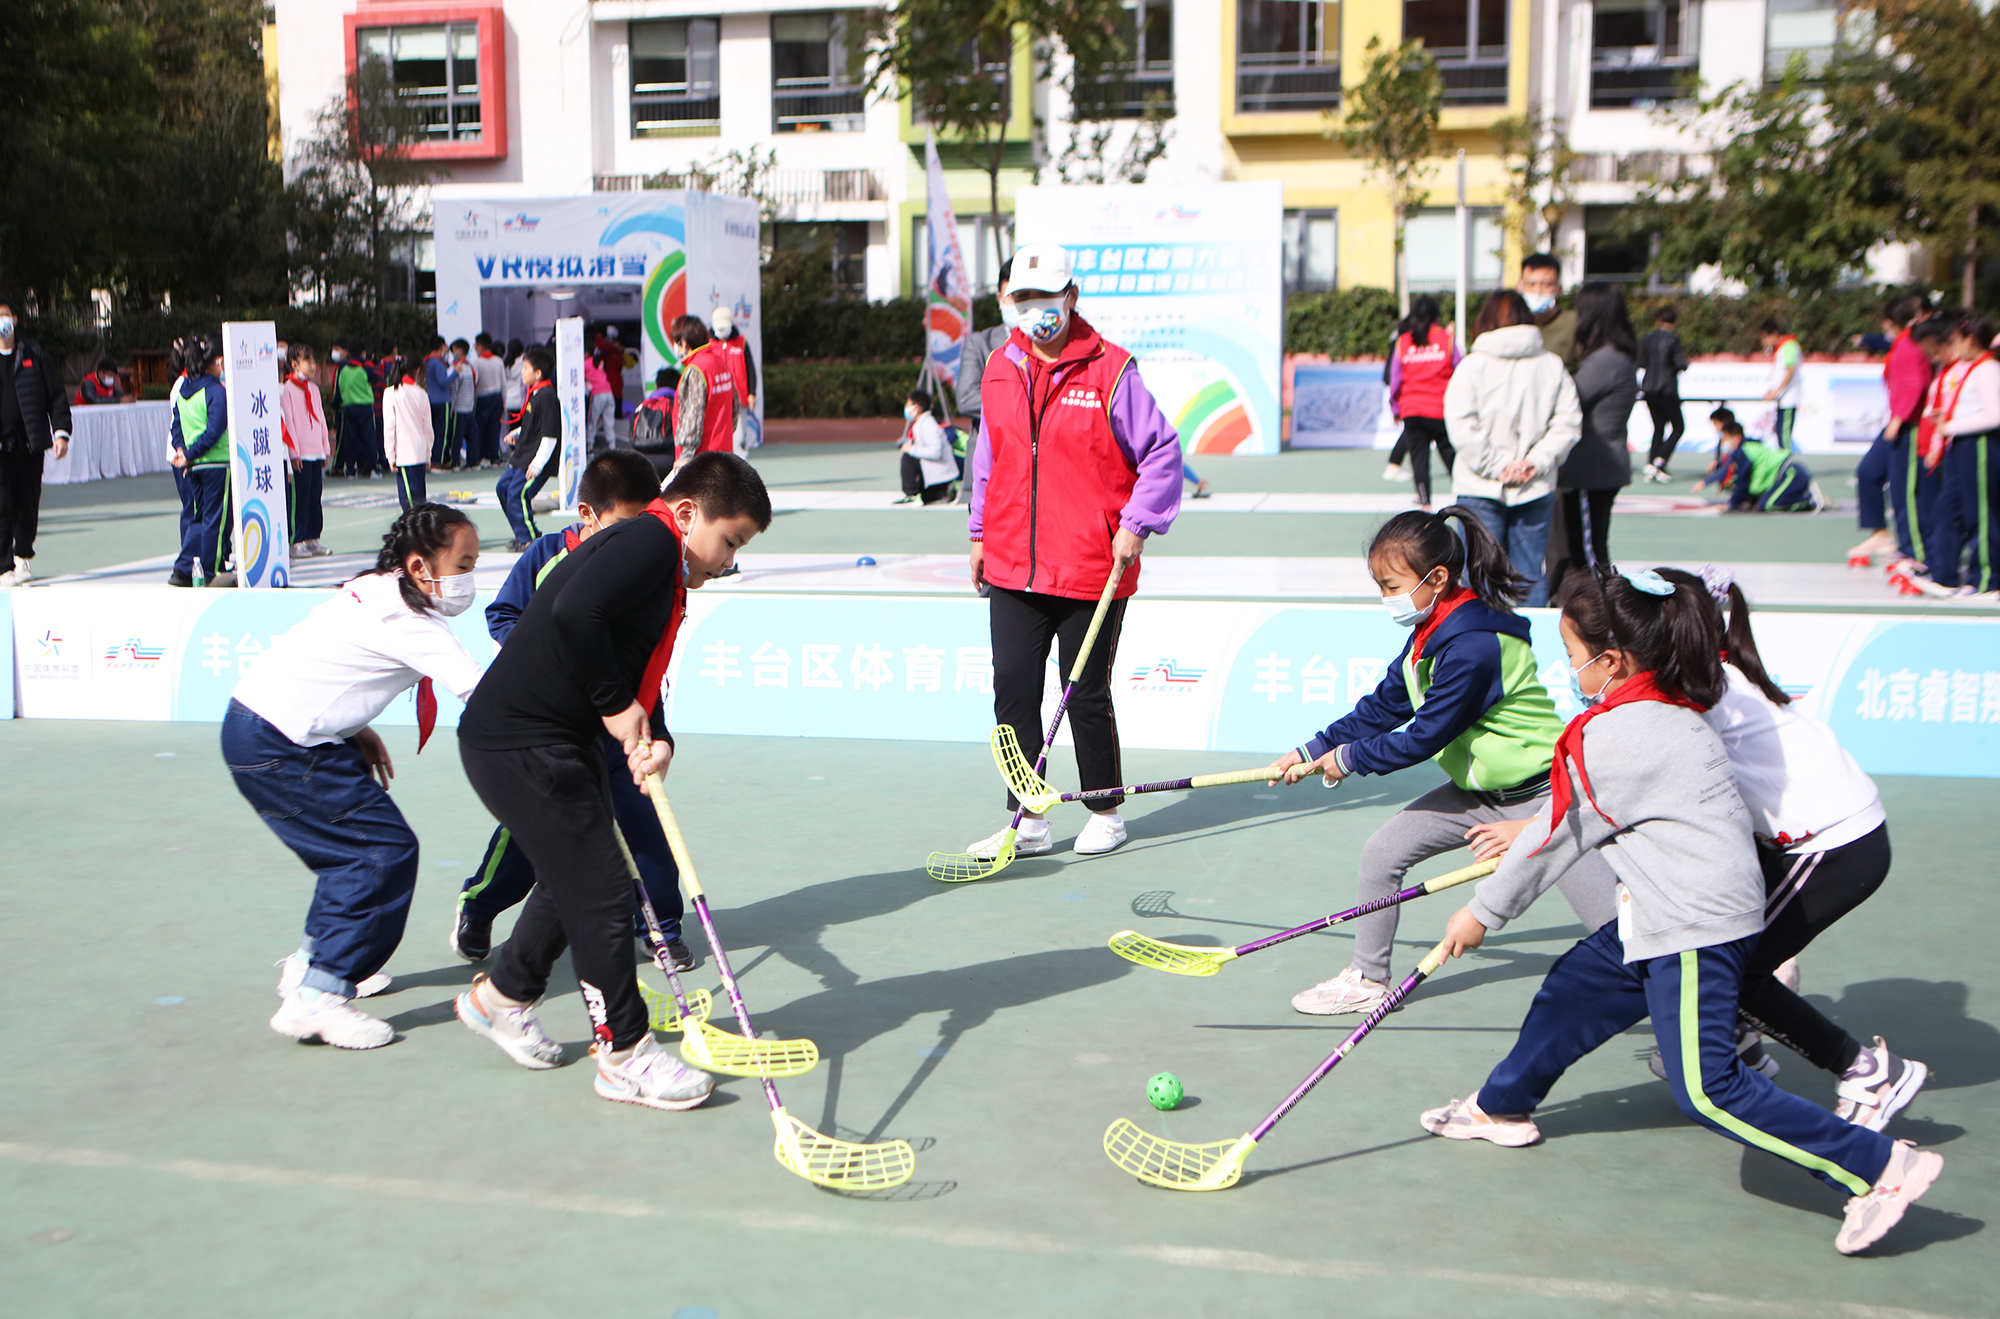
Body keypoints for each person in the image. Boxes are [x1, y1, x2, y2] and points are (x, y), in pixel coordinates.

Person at [1420, 567, 1940, 1258]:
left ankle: (1882, 1169)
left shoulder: (1623, 731)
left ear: (1611, 660)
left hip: (1695, 924)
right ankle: (1501, 1104)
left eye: (1573, 656)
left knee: (1709, 1089)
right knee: (1576, 988)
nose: (1567, 669)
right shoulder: (1662, 701)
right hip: (1660, 903)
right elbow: (1573, 819)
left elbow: (1558, 835)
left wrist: (1482, 911)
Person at [452, 452, 771, 1108]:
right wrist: (618, 708)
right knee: (600, 886)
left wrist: (653, 735)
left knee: (576, 878)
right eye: (727, 541)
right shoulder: (651, 540)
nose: (726, 560)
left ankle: (503, 994)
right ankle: (624, 1051)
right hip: (521, 741)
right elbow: (571, 612)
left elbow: (632, 669)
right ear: (687, 514)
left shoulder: (659, 557)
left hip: (550, 740)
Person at [1269, 508, 1616, 1016]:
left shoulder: (1476, 646)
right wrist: (1311, 751)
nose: (1386, 598)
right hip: (1479, 797)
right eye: (1380, 586)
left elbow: (1424, 737)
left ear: (1436, 578)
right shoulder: (1430, 631)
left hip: (1548, 801)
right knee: (1382, 853)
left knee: (1615, 931)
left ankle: (1721, 1024)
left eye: (1392, 585)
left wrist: (1347, 759)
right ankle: (1368, 978)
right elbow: (1385, 706)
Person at [225, 504, 484, 1049]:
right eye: (462, 565)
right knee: (375, 854)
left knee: (349, 854)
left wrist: (353, 727)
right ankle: (318, 998)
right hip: (284, 742)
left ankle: (311, 965)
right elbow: (486, 697)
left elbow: (333, 659)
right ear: (419, 567)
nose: (469, 580)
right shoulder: (412, 622)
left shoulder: (375, 586)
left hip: (261, 724)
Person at [964, 241, 1184, 859]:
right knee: (1013, 690)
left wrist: (1137, 524)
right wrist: (979, 532)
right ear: (1008, 303)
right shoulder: (1001, 367)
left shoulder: (1112, 370)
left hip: (1092, 566)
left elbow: (1162, 452)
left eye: (1047, 297)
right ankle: (1027, 818)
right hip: (1011, 560)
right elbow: (990, 456)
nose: (1036, 310)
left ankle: (1106, 811)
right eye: (1022, 298)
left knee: (1083, 691)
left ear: (1072, 297)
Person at [452, 451, 691, 967]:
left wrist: (656, 723)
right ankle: (481, 905)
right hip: (556, 724)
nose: (641, 536)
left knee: (643, 819)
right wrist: (552, 663)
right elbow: (505, 615)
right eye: (628, 523)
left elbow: (647, 656)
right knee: (533, 835)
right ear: (588, 515)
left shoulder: (652, 564)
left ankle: (660, 925)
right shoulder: (547, 555)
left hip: (618, 718)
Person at [1445, 289, 1581, 607]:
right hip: (1534, 483)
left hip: (1479, 485)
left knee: (1477, 574)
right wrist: (1534, 462)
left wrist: (1498, 464)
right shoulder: (1551, 365)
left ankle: (1477, 646)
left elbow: (1461, 424)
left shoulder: (1472, 366)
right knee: (1530, 573)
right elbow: (1568, 422)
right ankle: (1531, 647)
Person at [1550, 283, 1640, 596]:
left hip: (1591, 469)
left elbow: (1567, 397)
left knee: (1588, 552)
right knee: (1588, 548)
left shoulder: (1604, 361)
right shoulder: (1617, 356)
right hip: (1597, 466)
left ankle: (1603, 613)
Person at [1918, 313, 2000, 597]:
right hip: (1962, 445)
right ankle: (1944, 575)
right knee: (1947, 511)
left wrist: (1949, 425)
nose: (1952, 346)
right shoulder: (1974, 368)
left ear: (1972, 340)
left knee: (1981, 514)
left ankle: (1989, 580)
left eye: (1955, 340)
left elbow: (1995, 414)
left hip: (1978, 445)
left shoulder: (1987, 369)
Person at [1850, 296, 1933, 566]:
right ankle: (1882, 534)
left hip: (1907, 425)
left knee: (1904, 491)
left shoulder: (1909, 346)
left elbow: (1916, 384)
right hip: (1898, 422)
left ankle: (1914, 552)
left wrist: (1899, 419)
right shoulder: (1901, 344)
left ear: (1889, 322)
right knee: (1869, 472)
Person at [0, 297, 73, 589]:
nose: (2, 322)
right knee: (2, 504)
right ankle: (4, 565)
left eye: (5, 316)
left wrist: (61, 432)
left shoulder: (33, 353)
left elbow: (56, 395)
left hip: (30, 442)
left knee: (28, 503)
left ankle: (22, 554)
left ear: (15, 319)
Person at [169, 333, 234, 588]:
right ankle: (211, 569)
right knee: (216, 520)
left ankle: (184, 568)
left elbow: (176, 425)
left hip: (194, 465)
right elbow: (215, 429)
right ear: (218, 361)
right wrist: (192, 452)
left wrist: (182, 451)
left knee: (198, 518)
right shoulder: (216, 390)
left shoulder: (184, 390)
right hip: (216, 462)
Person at [1384, 295, 1461, 509]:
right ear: (1437, 316)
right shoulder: (1447, 340)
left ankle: (1424, 502)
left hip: (1412, 409)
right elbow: (1461, 372)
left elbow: (1396, 380)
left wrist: (1395, 407)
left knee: (1419, 459)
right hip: (1440, 410)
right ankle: (1465, 492)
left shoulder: (1404, 342)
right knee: (1450, 454)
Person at [956, 257, 1015, 505]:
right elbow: (967, 399)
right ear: (1000, 298)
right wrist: (1027, 402)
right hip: (987, 474)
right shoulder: (979, 343)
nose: (1018, 304)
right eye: (1011, 295)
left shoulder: (1052, 346)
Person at [496, 345, 560, 551]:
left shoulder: (548, 396)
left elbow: (550, 434)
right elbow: (533, 425)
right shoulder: (535, 394)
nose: (521, 372)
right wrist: (517, 433)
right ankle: (521, 533)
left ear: (538, 373)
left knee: (518, 494)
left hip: (533, 460)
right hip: (522, 456)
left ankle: (531, 538)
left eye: (525, 368)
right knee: (503, 489)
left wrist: (538, 464)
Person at [280, 343, 333, 559]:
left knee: (314, 498)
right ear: (294, 364)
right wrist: (294, 453)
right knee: (299, 499)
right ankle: (297, 540)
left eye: (313, 361)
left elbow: (320, 419)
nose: (313, 365)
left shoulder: (314, 389)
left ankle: (313, 538)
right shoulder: (287, 390)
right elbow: (289, 423)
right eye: (308, 361)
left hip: (315, 451)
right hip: (300, 453)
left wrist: (325, 447)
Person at [1696, 421, 1821, 512]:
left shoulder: (1743, 452)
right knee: (1761, 504)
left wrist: (1732, 505)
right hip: (1783, 478)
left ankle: (1806, 500)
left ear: (1737, 437)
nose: (1725, 443)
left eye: (1726, 439)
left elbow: (1743, 480)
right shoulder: (1745, 448)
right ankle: (1795, 495)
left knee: (1767, 505)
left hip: (1791, 475)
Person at [669, 316, 735, 461]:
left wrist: (685, 456)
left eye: (676, 344)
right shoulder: (720, 363)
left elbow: (692, 416)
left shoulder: (696, 370)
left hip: (702, 459)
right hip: (725, 453)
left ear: (684, 343)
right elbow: (733, 409)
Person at [1639, 304, 1690, 482]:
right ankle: (1659, 461)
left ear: (1658, 320)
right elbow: (1680, 364)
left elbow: (1641, 362)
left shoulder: (1647, 339)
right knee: (1678, 427)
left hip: (1649, 390)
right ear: (1674, 322)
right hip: (1667, 390)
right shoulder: (1673, 340)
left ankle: (1651, 465)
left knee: (1658, 428)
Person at [380, 354, 434, 514]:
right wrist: (428, 452)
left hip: (404, 453)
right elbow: (428, 428)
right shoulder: (421, 393)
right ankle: (421, 530)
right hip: (419, 449)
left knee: (409, 501)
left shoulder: (391, 393)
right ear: (418, 371)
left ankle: (415, 533)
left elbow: (389, 426)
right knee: (419, 496)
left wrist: (390, 454)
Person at [709, 306, 758, 454]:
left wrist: (751, 393)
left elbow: (750, 368)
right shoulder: (709, 345)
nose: (722, 332)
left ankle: (740, 471)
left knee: (739, 438)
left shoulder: (741, 343)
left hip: (740, 398)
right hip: (717, 400)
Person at [1517, 253, 1577, 370]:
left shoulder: (1574, 324)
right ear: (1520, 287)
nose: (1538, 291)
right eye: (1531, 284)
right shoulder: (1511, 324)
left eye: (1546, 285)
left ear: (1558, 289)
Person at [333, 343, 379, 479]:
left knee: (350, 439)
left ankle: (351, 471)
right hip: (365, 407)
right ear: (363, 353)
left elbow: (338, 392)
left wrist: (335, 407)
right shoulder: (365, 369)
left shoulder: (344, 370)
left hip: (348, 408)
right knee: (369, 438)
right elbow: (376, 379)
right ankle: (373, 469)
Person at [1760, 319, 1804, 451]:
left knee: (1784, 436)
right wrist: (1772, 390)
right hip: (1783, 399)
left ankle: (1788, 469)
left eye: (1765, 338)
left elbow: (1790, 370)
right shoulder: (1781, 348)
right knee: (1779, 434)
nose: (1764, 342)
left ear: (1773, 334)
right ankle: (1783, 466)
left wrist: (1777, 391)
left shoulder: (1789, 345)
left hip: (1789, 398)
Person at [471, 333, 507, 468]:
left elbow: (476, 382)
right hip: (497, 397)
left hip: (482, 397)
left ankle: (481, 456)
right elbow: (504, 383)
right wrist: (504, 402)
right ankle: (494, 458)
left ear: (480, 346)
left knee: (480, 429)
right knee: (494, 429)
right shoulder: (498, 361)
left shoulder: (477, 363)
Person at [422, 335, 454, 470]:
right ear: (441, 346)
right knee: (443, 432)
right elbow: (443, 381)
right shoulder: (437, 363)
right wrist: (456, 373)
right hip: (442, 401)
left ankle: (437, 459)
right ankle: (438, 461)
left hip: (430, 400)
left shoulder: (427, 361)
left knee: (433, 431)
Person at [446, 339, 476, 469]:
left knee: (456, 438)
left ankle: (455, 462)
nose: (452, 353)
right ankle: (473, 462)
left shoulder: (456, 368)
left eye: (453, 350)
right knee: (472, 436)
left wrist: (451, 409)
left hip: (459, 408)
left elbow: (454, 389)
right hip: (469, 407)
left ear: (459, 350)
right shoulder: (471, 367)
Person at [585, 347, 616, 453]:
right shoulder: (598, 361)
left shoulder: (585, 363)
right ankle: (612, 445)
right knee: (609, 421)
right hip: (609, 392)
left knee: (592, 421)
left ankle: (590, 446)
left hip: (597, 394)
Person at [593, 324, 627, 418]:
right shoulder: (614, 351)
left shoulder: (611, 350)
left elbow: (600, 344)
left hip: (611, 387)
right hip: (612, 387)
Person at [502, 338, 526, 417]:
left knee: (512, 427)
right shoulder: (523, 363)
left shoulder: (506, 365)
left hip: (509, 401)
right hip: (521, 401)